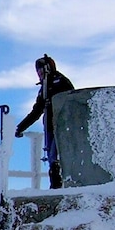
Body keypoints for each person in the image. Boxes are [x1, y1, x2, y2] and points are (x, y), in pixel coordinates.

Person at [15, 54, 74, 189]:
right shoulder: (44, 88)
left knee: (57, 157)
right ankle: (55, 186)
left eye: (41, 70)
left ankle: (59, 187)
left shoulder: (61, 82)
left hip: (62, 126)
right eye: (38, 71)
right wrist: (20, 127)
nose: (39, 74)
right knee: (52, 158)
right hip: (50, 127)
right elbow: (37, 111)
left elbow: (71, 103)